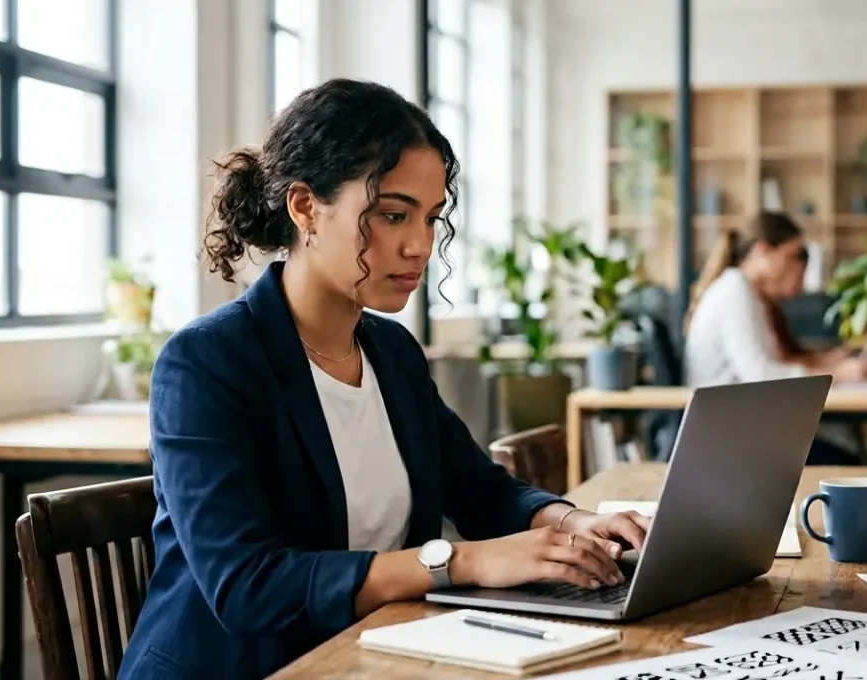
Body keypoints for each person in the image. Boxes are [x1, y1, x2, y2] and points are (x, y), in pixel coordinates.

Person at [117, 79, 650, 679]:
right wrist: (460, 563)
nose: (419, 245)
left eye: (431, 218)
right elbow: (248, 586)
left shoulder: (391, 351)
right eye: (393, 215)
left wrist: (572, 522)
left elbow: (480, 489)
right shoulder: (207, 363)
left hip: (376, 653)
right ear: (304, 208)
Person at [683, 212, 867, 464]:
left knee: (845, 452)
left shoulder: (746, 293)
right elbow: (762, 377)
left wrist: (829, 363)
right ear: (762, 251)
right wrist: (837, 374)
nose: (799, 267)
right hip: (732, 439)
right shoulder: (734, 293)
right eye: (793, 256)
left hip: (743, 428)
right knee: (848, 463)